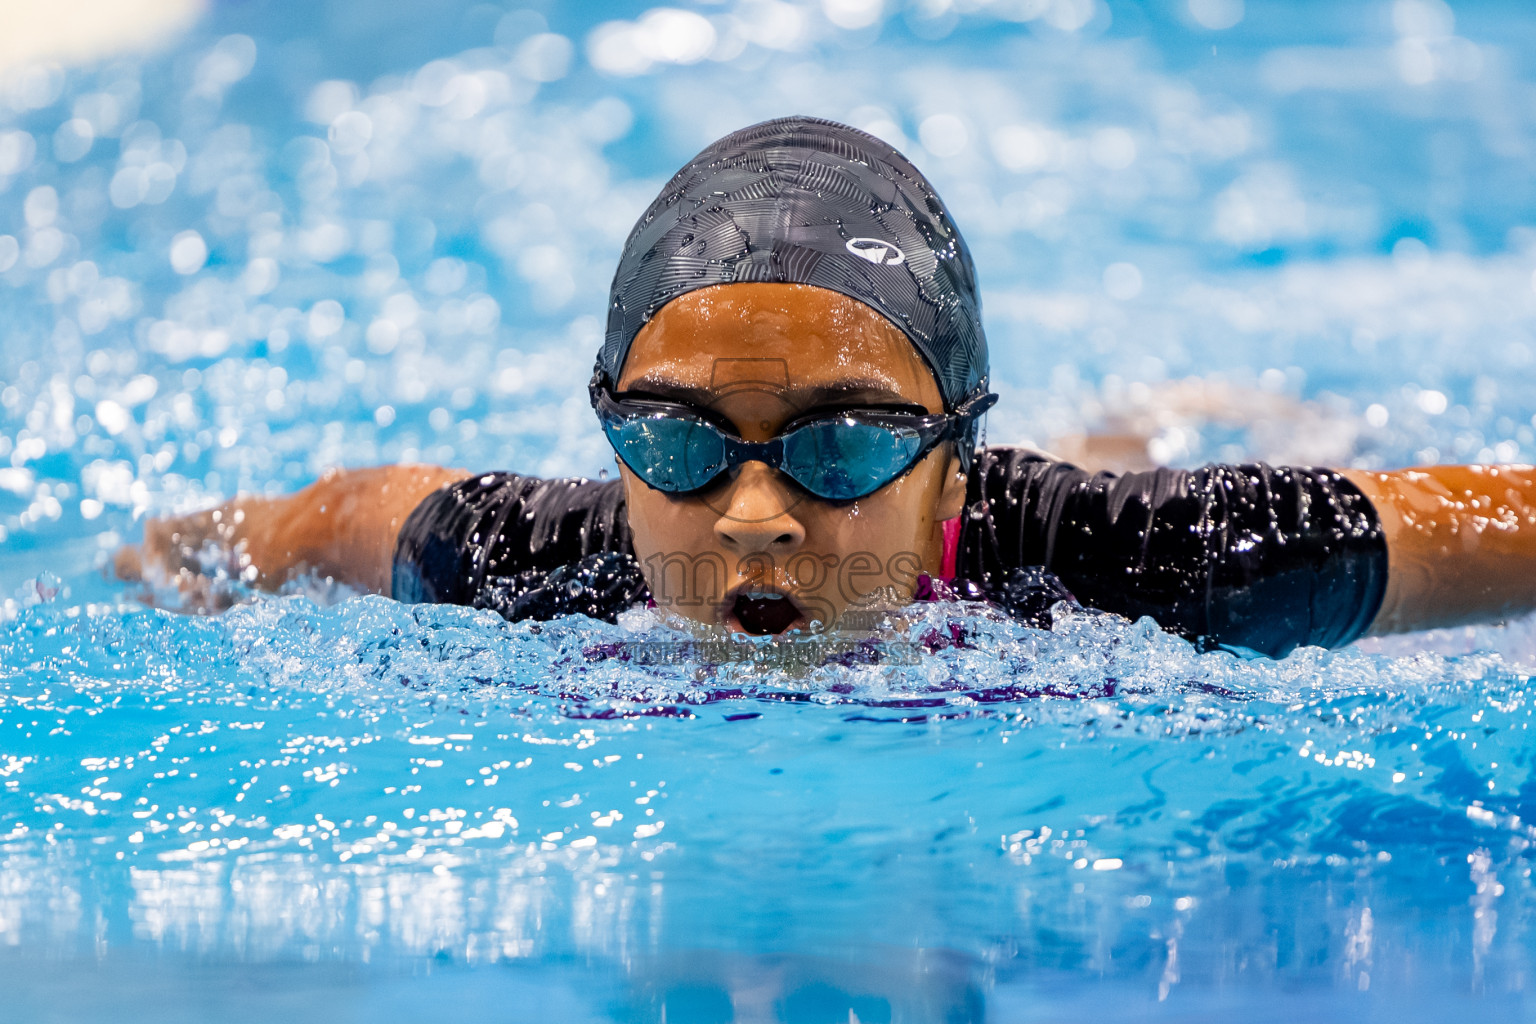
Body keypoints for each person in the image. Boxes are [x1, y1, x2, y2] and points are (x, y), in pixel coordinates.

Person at [116, 117, 1536, 657]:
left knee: (1139, 450)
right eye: (673, 442)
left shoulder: (1161, 566)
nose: (750, 516)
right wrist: (141, 569)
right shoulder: (538, 560)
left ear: (954, 454)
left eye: (844, 446)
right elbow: (318, 519)